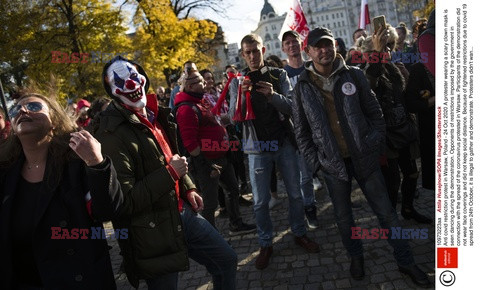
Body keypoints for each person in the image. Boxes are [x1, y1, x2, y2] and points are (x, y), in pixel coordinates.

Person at [291, 27, 431, 287]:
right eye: (318, 46)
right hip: (333, 165)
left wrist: (373, 141)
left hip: (364, 158)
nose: (324, 50)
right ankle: (356, 256)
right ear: (308, 51)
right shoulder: (301, 87)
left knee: (387, 214)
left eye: (328, 44)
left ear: (335, 46)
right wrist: (318, 164)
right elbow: (301, 133)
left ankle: (406, 260)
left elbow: (374, 111)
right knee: (344, 220)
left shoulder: (354, 75)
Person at [95, 56, 237, 289]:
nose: (131, 85)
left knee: (227, 261)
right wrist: (171, 173)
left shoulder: (154, 114)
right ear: (111, 91)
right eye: (120, 81)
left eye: (133, 76)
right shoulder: (110, 134)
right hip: (152, 232)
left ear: (143, 77)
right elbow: (125, 200)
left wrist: (188, 185)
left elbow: (170, 155)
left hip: (182, 213)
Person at [0, 92, 122, 289]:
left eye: (33, 107)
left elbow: (107, 211)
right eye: (15, 109)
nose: (22, 110)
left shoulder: (76, 162)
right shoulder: (6, 174)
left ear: (54, 121)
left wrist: (96, 164)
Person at [229, 33, 319, 270]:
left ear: (264, 50)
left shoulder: (278, 75)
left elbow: (292, 108)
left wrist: (272, 95)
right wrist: (240, 97)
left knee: (296, 194)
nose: (252, 55)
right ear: (242, 54)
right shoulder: (238, 81)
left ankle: (299, 233)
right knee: (260, 202)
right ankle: (266, 243)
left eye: (255, 50)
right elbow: (231, 117)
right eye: (247, 52)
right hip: (257, 149)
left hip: (284, 144)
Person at [359, 26, 431, 224]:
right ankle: (389, 219)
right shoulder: (366, 71)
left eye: (390, 47)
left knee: (412, 174)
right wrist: (378, 53)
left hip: (404, 131)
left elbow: (405, 99)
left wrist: (407, 77)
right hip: (386, 139)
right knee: (391, 183)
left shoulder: (394, 68)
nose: (388, 51)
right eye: (384, 47)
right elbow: (370, 84)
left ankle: (408, 209)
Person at [174, 67, 256, 235]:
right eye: (199, 81)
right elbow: (190, 144)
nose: (204, 82)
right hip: (208, 163)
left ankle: (236, 224)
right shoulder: (186, 109)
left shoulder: (199, 102)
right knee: (209, 203)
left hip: (221, 157)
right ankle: (211, 237)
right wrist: (206, 164)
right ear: (189, 86)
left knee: (233, 190)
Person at [281, 30, 320, 229]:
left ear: (301, 44)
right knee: (305, 176)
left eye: (294, 42)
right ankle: (309, 206)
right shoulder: (282, 76)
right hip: (298, 133)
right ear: (283, 48)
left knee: (331, 168)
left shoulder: (313, 68)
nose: (291, 46)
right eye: (287, 43)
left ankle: (342, 201)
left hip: (320, 128)